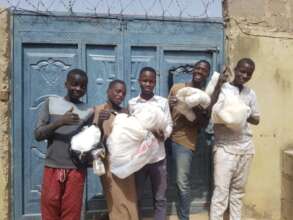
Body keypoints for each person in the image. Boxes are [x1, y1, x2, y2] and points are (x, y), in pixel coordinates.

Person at [34, 68, 93, 220]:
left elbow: (91, 140)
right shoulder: (51, 103)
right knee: (49, 211)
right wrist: (60, 122)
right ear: (66, 84)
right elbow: (38, 135)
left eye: (82, 86)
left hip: (76, 170)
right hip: (52, 167)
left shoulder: (88, 110)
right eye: (74, 84)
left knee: (72, 214)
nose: (78, 89)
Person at [209, 58, 260, 220]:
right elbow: (209, 108)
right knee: (221, 193)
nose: (244, 75)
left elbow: (257, 119)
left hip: (245, 148)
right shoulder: (223, 88)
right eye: (242, 71)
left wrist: (243, 113)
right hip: (225, 149)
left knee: (238, 193)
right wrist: (218, 85)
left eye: (248, 74)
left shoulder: (250, 94)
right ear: (235, 69)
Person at [168, 60, 211, 220]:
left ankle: (184, 217)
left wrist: (196, 108)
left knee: (182, 182)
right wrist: (170, 103)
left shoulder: (205, 98)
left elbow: (202, 125)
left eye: (204, 70)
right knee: (160, 180)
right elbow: (165, 111)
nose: (200, 71)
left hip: (184, 142)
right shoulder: (177, 88)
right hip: (165, 138)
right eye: (198, 68)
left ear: (207, 74)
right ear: (193, 70)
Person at [128, 67, 173, 220]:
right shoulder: (132, 103)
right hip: (139, 159)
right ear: (139, 81)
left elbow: (169, 125)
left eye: (151, 81)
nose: (148, 84)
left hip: (158, 158)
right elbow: (128, 128)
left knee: (160, 198)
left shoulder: (162, 102)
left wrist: (163, 135)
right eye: (145, 80)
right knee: (137, 197)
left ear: (155, 82)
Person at [93, 79, 139, 220]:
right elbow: (94, 138)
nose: (120, 95)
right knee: (115, 199)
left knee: (130, 197)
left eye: (123, 93)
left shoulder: (125, 112)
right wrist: (100, 121)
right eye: (117, 91)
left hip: (126, 163)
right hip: (109, 164)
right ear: (108, 91)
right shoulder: (100, 110)